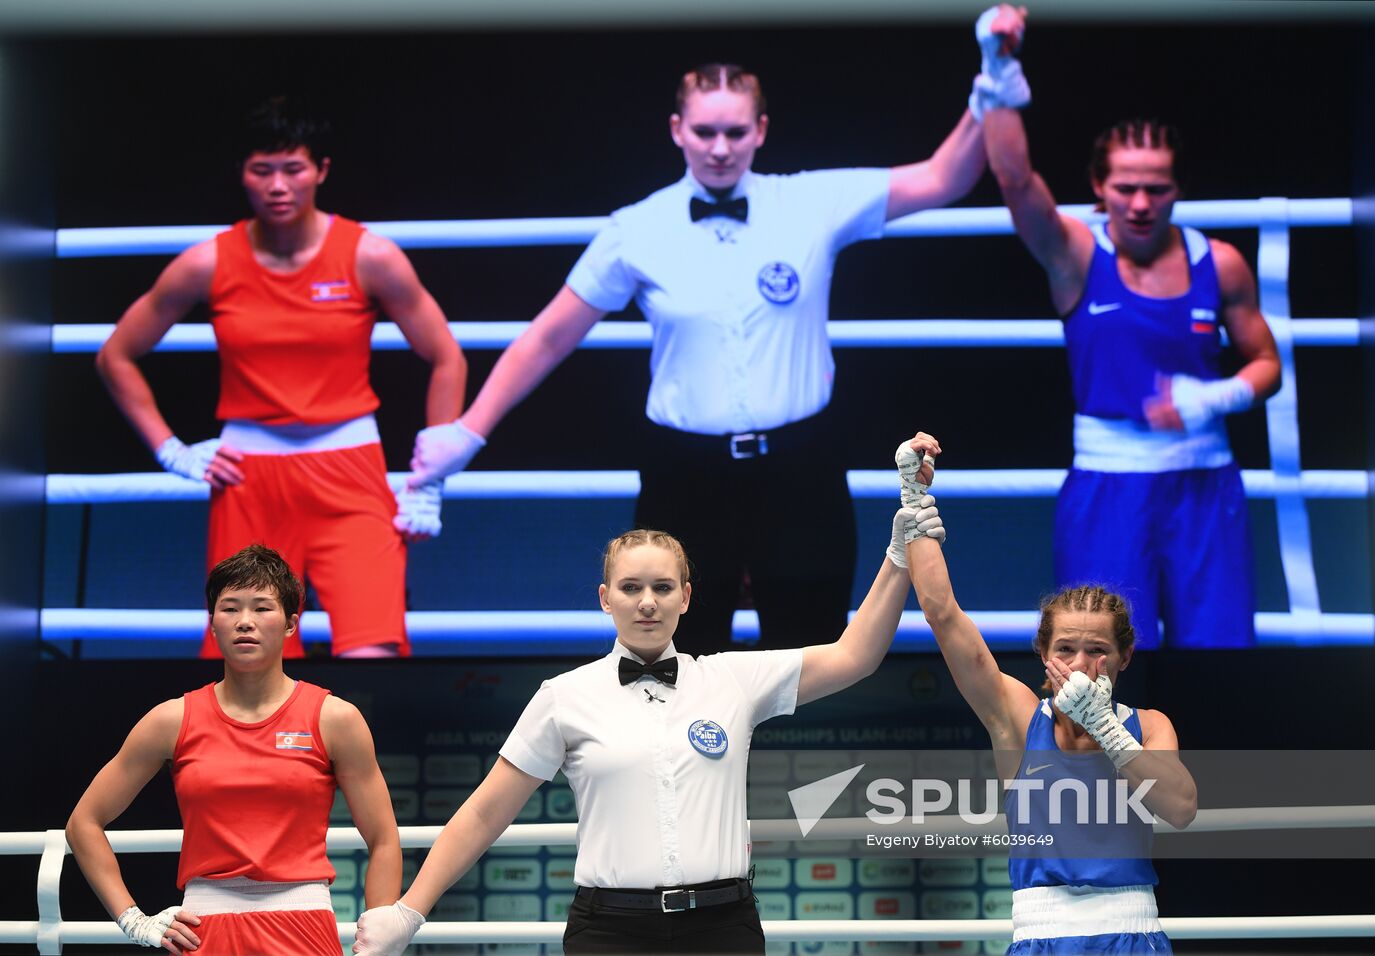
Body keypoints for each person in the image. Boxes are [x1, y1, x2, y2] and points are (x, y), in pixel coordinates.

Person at [403, 51, 1009, 653]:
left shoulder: (810, 203)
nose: (720, 147)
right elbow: (549, 336)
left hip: (800, 468)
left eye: (735, 131)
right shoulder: (636, 228)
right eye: (704, 131)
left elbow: (942, 178)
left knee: (813, 653)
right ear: (677, 131)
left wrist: (990, 84)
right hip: (684, 475)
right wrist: (468, 432)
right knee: (680, 661)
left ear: (761, 132)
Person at [351, 437, 942, 955]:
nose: (647, 602)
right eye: (631, 588)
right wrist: (408, 912)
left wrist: (899, 548)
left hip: (724, 931)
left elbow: (854, 655)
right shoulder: (564, 697)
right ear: (605, 598)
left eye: (662, 587)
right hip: (610, 935)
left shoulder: (733, 680)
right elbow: (483, 813)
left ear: (687, 596)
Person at [95, 95, 467, 658]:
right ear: (242, 175)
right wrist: (171, 450)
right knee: (248, 667)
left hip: (351, 473)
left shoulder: (369, 255)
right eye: (261, 169)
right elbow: (115, 355)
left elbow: (448, 357)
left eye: (292, 168)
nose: (277, 185)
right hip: (249, 482)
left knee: (374, 654)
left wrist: (432, 477)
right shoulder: (208, 261)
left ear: (320, 171)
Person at [977, 8, 1281, 647]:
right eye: (1125, 188)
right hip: (1108, 487)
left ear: (1177, 190)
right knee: (1094, 666)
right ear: (1098, 186)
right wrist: (998, 69)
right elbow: (1013, 179)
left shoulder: (1219, 263)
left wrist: (1214, 396)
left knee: (1220, 656)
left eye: (1156, 188)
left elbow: (1265, 363)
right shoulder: (1075, 257)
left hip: (1206, 484)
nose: (1140, 203)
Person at [902, 433, 1197, 954]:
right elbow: (942, 615)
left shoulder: (1150, 725)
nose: (1080, 665)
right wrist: (913, 497)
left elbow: (1180, 807)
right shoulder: (1017, 717)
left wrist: (1106, 726)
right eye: (1065, 649)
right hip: (1041, 936)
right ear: (1043, 655)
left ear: (1124, 658)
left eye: (1096, 650)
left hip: (1132, 933)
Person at [65, 543, 402, 954]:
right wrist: (133, 920)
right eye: (230, 608)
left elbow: (383, 837)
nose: (245, 622)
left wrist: (380, 933)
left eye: (262, 608)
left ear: (291, 623)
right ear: (212, 623)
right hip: (203, 930)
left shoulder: (335, 719)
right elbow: (84, 822)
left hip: (304, 925)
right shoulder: (171, 719)